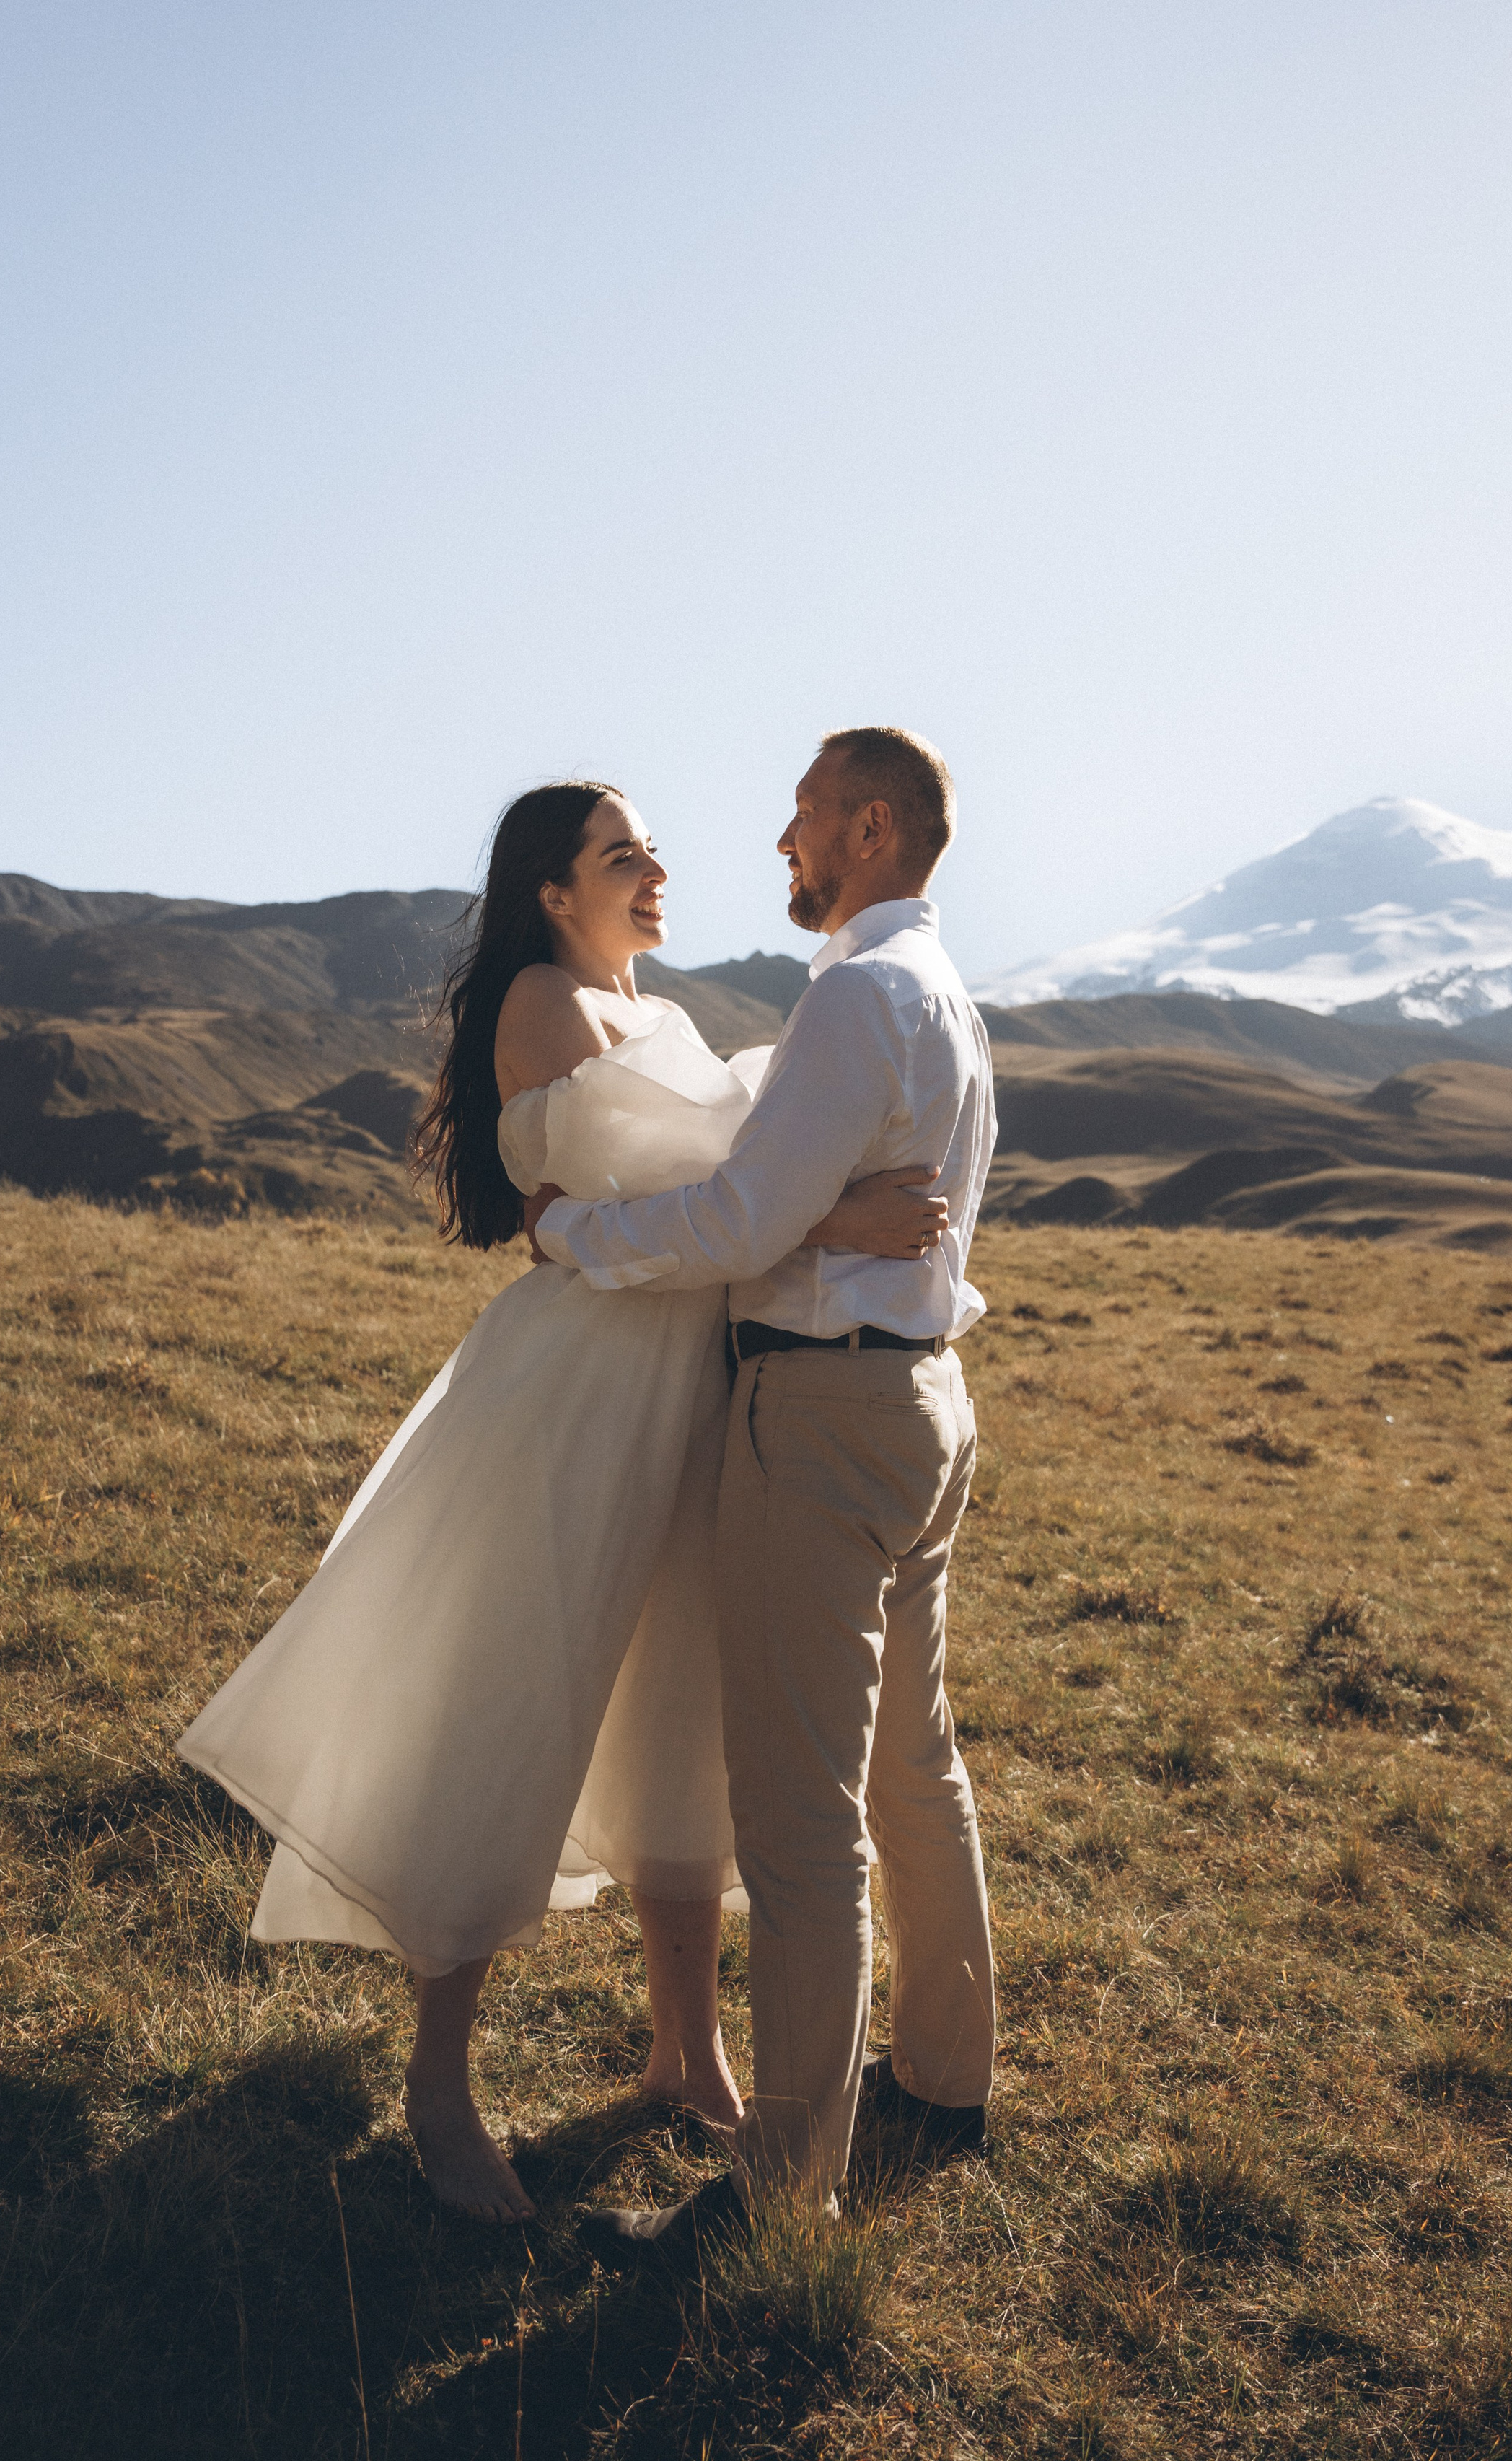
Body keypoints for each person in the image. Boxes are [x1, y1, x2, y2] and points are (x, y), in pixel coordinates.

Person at [177, 781, 944, 2224]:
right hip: (580, 1400)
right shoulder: (544, 1002)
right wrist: (824, 1212)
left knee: (681, 1721)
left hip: (702, 1398)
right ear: (552, 889)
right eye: (620, 854)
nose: (655, 868)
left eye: (648, 847)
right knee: (513, 1716)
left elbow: (721, 1195)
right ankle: (439, 2081)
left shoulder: (659, 1017)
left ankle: (683, 2042)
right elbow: (686, 1203)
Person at [526, 727, 998, 2262]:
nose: (780, 843)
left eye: (801, 819)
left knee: (801, 1820)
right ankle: (942, 2074)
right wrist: (824, 1224)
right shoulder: (946, 996)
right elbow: (831, 1216)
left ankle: (775, 2192)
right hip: (925, 1397)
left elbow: (739, 1217)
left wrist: (570, 1240)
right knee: (908, 1763)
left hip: (819, 1415)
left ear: (868, 828)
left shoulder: (860, 993)